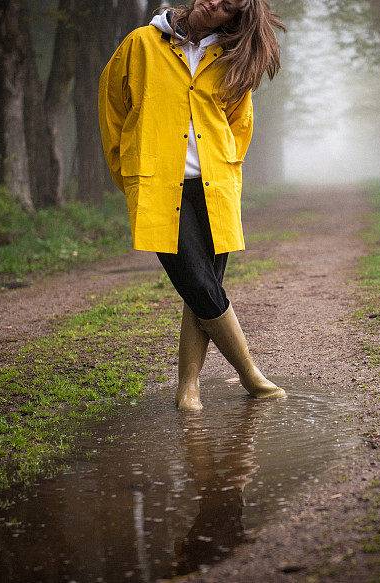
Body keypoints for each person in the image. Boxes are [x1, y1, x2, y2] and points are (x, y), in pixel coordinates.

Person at [98, 0, 287, 411]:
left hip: (215, 186)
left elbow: (240, 125)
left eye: (228, 6)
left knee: (202, 289)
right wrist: (127, 172)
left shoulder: (230, 59)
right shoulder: (140, 44)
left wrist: (227, 169)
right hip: (158, 186)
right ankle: (249, 373)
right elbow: (112, 108)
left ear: (233, 19)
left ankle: (188, 390)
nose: (214, 3)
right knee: (199, 283)